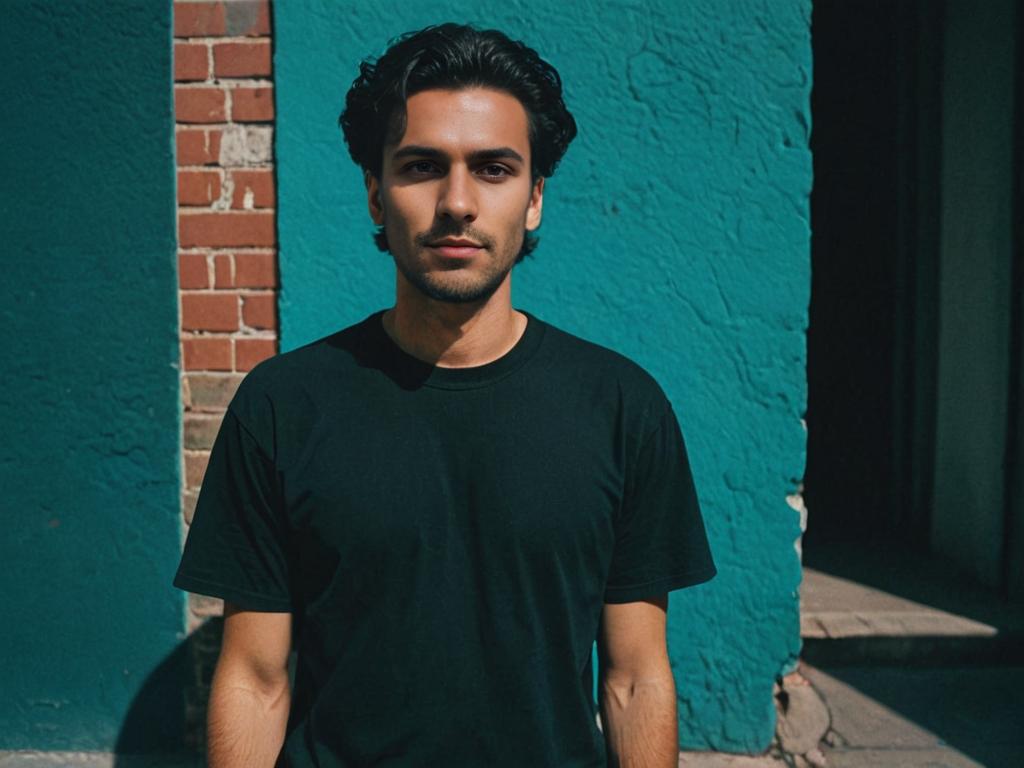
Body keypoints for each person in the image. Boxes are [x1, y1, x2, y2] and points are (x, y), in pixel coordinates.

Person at [174, 22, 715, 768]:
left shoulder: (621, 407)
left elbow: (633, 677)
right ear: (374, 193)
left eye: (493, 169)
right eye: (422, 166)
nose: (457, 202)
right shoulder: (283, 407)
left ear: (534, 200)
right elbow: (258, 678)